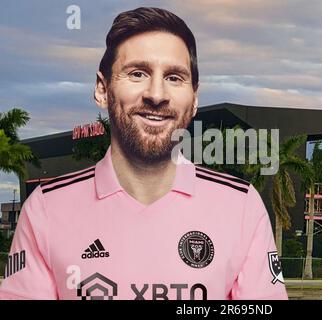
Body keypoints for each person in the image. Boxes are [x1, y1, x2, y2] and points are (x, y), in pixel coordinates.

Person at [0, 7, 288, 300]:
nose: (156, 94)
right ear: (102, 89)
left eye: (174, 77)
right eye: (137, 73)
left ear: (195, 99)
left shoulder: (241, 206)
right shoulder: (46, 210)